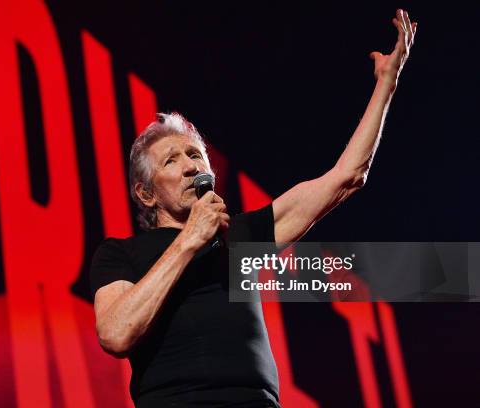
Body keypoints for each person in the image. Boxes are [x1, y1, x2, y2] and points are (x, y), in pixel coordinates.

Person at [90, 9, 417, 407]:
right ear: (145, 194)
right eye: (172, 160)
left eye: (195, 154)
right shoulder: (119, 254)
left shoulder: (238, 238)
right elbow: (116, 333)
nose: (192, 165)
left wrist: (387, 83)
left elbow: (347, 176)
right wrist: (189, 241)